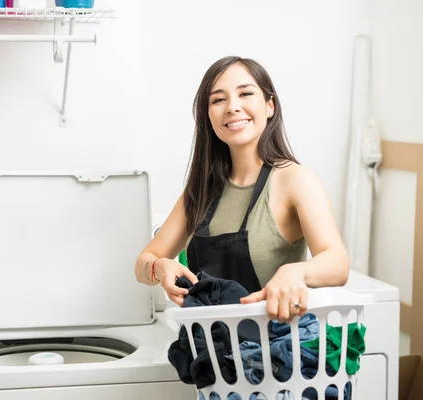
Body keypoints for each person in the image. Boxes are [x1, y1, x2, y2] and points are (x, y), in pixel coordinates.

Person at [134, 56, 349, 323]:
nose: (233, 107)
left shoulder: (294, 179)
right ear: (208, 116)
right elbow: (143, 262)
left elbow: (338, 264)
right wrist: (160, 266)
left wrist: (295, 272)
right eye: (218, 99)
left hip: (273, 351)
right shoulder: (201, 189)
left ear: (270, 106)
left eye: (245, 93)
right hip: (208, 351)